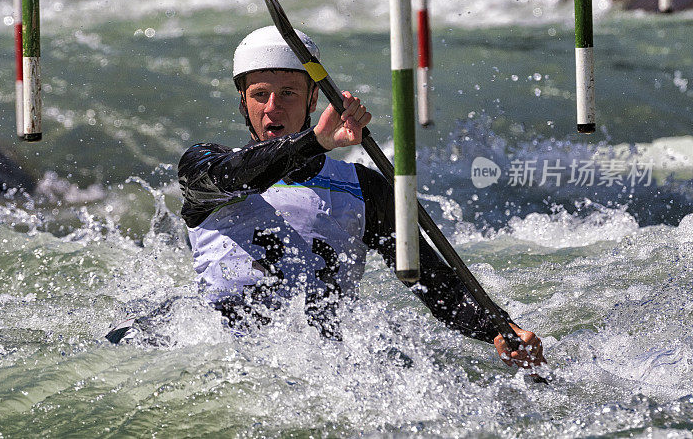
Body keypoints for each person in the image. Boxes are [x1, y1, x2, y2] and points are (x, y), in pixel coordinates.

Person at [176, 26, 545, 372]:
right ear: (243, 102)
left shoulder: (363, 189)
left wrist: (498, 329)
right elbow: (235, 175)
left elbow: (434, 281)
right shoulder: (204, 167)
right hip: (226, 363)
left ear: (313, 98)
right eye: (260, 94)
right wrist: (314, 142)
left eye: (288, 92)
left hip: (322, 370)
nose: (273, 106)